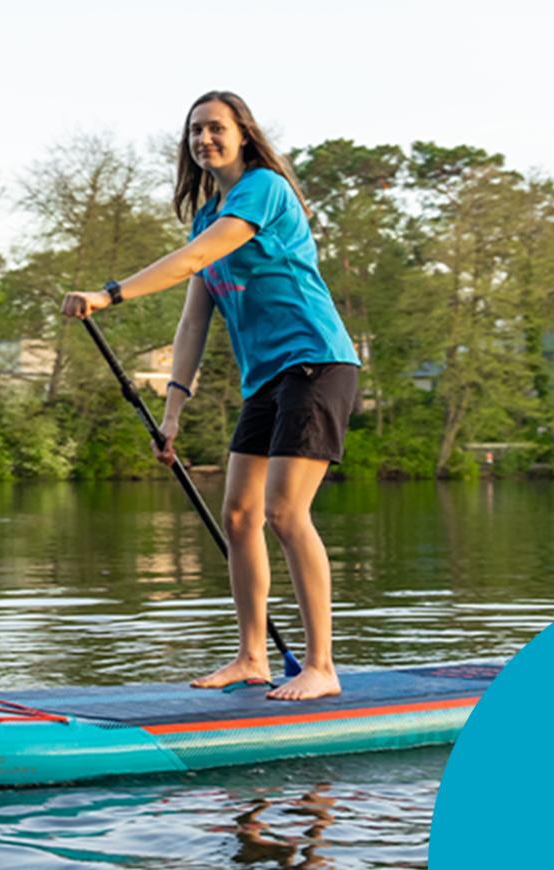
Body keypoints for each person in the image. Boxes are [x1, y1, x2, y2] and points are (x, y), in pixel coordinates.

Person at [60, 91, 360, 700]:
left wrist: (109, 295)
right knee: (239, 515)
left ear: (243, 133)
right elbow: (195, 321)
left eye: (216, 128)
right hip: (266, 378)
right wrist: (171, 414)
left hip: (316, 362)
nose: (205, 139)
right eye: (195, 130)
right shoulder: (206, 217)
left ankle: (321, 667)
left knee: (284, 512)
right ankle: (252, 658)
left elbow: (194, 258)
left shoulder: (264, 189)